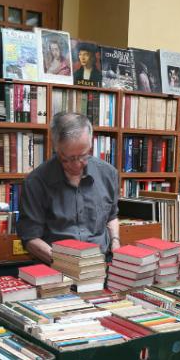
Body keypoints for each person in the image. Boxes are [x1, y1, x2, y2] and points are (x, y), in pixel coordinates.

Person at [17, 112, 120, 263]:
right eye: (68, 159)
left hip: (102, 264)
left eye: (83, 156)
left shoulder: (108, 174)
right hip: (57, 269)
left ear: (90, 145)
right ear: (56, 149)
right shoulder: (36, 182)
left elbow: (112, 217)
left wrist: (116, 242)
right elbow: (30, 238)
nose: (77, 164)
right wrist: (67, 264)